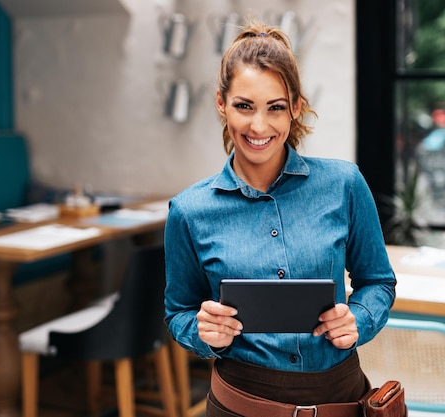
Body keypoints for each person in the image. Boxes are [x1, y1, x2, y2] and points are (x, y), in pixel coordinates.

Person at [164, 19, 396, 417]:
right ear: (222, 104)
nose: (259, 126)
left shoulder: (344, 184)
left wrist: (359, 317)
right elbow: (179, 312)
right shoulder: (189, 210)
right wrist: (203, 333)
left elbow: (377, 281)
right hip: (239, 404)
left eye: (275, 107)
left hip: (341, 399)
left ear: (296, 108)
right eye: (243, 106)